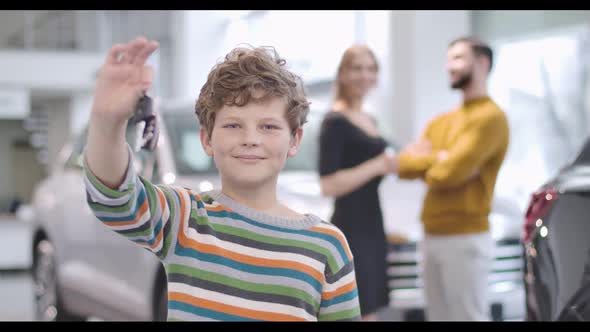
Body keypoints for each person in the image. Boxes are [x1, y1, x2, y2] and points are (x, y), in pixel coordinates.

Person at [83, 36, 361, 321]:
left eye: (268, 126)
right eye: (232, 125)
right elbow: (115, 199)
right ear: (207, 139)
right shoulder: (184, 219)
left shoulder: (327, 247)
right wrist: (107, 121)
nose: (250, 139)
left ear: (294, 139)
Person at [394, 36, 510, 321]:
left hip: (465, 237)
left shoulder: (490, 118)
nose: (449, 66)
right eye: (448, 59)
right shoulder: (441, 121)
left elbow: (449, 173)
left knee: (468, 316)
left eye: (458, 58)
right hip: (431, 234)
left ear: (482, 62)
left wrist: (438, 162)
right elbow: (404, 165)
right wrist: (440, 158)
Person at [318, 45, 396, 321]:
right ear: (342, 74)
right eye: (357, 68)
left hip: (373, 222)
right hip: (351, 226)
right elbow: (328, 184)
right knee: (358, 309)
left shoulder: (370, 119)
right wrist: (377, 165)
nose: (365, 75)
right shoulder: (334, 121)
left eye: (370, 68)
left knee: (371, 307)